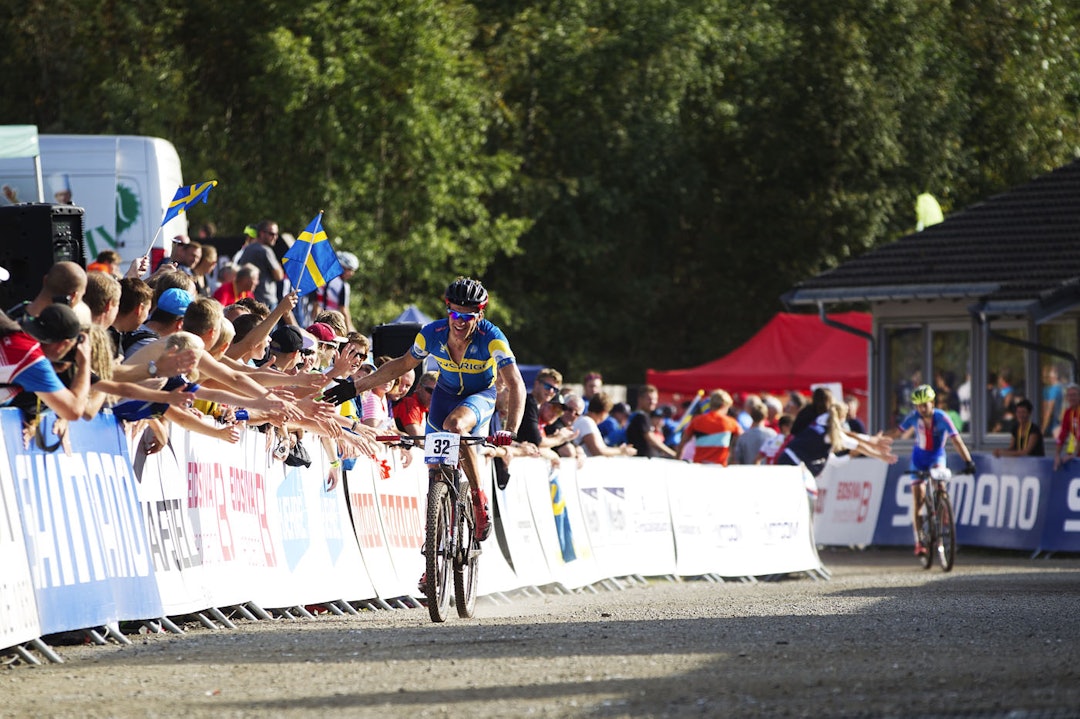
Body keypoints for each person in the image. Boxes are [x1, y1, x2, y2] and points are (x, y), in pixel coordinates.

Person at [324, 277, 524, 542]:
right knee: (434, 470)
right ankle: (434, 544)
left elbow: (516, 384)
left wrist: (510, 430)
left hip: (479, 396)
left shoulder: (492, 338)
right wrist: (354, 388)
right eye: (454, 314)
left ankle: (478, 499)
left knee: (455, 426)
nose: (459, 322)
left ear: (480, 315)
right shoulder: (432, 333)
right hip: (445, 396)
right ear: (448, 310)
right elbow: (401, 365)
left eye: (467, 316)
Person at [889, 384, 975, 556]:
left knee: (940, 484)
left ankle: (943, 511)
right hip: (918, 460)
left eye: (925, 405)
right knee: (918, 498)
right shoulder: (913, 417)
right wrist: (876, 442)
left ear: (933, 403)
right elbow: (896, 433)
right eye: (918, 406)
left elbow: (957, 441)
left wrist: (968, 461)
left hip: (936, 458)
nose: (922, 409)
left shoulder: (942, 418)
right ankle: (919, 540)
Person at [675, 389, 742, 466]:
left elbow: (682, 444)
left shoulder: (697, 420)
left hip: (699, 466)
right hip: (719, 467)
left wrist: (678, 462)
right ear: (724, 406)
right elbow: (743, 439)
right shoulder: (731, 422)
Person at [236, 220, 287, 311]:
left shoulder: (247, 248)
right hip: (266, 300)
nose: (275, 237)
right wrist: (278, 266)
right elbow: (279, 276)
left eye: (276, 234)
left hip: (249, 298)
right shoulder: (266, 250)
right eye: (272, 234)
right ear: (262, 233)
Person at [572, 392, 636, 458]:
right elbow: (597, 451)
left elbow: (603, 449)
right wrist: (621, 451)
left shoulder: (585, 421)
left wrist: (619, 450)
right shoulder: (587, 422)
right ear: (604, 412)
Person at [626, 384, 676, 458]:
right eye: (649, 399)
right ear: (640, 399)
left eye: (655, 399)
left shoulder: (635, 415)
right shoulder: (641, 417)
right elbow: (651, 440)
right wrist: (674, 454)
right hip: (641, 460)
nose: (653, 402)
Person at [731, 397, 776, 465]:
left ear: (750, 415)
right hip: (769, 470)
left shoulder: (743, 437)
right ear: (766, 415)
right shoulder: (773, 435)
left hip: (748, 470)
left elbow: (736, 459)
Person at [1053, 383, 1080, 470]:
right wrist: (1057, 454)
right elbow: (1063, 434)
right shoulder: (1068, 412)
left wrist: (1074, 454)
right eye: (1069, 395)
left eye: (1074, 395)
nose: (1072, 398)